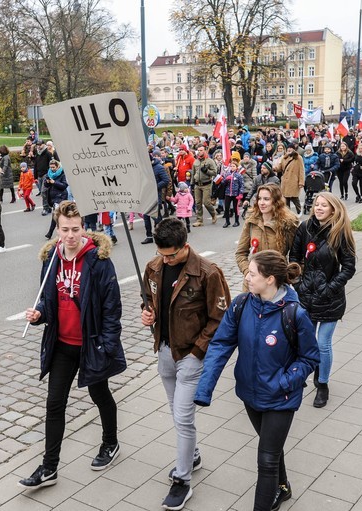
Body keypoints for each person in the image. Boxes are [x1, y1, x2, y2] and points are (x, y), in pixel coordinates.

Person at [194, 250, 320, 511]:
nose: (247, 277)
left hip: (280, 397)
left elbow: (310, 358)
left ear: (270, 279)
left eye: (252, 273)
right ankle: (283, 488)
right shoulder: (241, 305)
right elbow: (220, 345)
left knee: (266, 459)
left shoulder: (295, 314)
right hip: (250, 395)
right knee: (270, 445)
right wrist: (204, 389)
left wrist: (284, 382)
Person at [19, 201, 126, 489]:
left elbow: (112, 309)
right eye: (64, 229)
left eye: (75, 229)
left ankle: (110, 443)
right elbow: (47, 300)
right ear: (57, 228)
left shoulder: (98, 260)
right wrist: (40, 313)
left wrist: (106, 345)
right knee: (54, 404)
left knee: (99, 394)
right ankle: (49, 467)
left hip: (91, 344)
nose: (69, 235)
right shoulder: (50, 258)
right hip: (62, 343)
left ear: (84, 228)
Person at [140, 217, 231, 510]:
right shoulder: (154, 267)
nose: (165, 260)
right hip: (165, 351)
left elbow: (221, 318)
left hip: (190, 356)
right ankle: (192, 455)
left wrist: (198, 351)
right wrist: (147, 313)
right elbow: (148, 299)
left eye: (171, 255)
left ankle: (182, 481)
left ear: (185, 247)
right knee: (176, 412)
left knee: (182, 418)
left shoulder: (207, 272)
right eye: (161, 254)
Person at [289, 192, 356, 408]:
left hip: (330, 299)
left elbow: (348, 267)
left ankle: (323, 384)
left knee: (323, 343)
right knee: (305, 341)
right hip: (306, 297)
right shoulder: (305, 227)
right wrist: (298, 284)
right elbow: (294, 259)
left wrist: (330, 288)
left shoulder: (340, 232)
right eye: (317, 204)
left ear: (333, 209)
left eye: (324, 205)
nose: (318, 208)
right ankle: (304, 375)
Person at [236, 183, 299, 292]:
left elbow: (296, 256)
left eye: (266, 199)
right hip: (252, 285)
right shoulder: (251, 220)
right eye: (259, 198)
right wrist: (247, 272)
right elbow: (241, 253)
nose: (261, 203)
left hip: (275, 285)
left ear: (275, 201)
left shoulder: (288, 224)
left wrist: (290, 277)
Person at [191, 145, 218, 227]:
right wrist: (192, 183)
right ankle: (199, 220)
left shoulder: (209, 161)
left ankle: (213, 214)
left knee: (206, 202)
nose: (199, 152)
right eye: (198, 150)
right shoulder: (196, 161)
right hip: (197, 184)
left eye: (201, 150)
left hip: (206, 184)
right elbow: (193, 172)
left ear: (205, 151)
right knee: (198, 203)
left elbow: (215, 172)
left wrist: (206, 171)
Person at [274, 143, 304, 214]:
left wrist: (301, 182)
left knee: (294, 198)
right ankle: (288, 213)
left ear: (294, 149)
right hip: (285, 181)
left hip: (294, 181)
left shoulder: (298, 158)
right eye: (288, 148)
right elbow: (280, 167)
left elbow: (301, 171)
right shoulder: (284, 157)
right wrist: (275, 168)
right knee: (286, 199)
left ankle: (299, 211)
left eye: (291, 148)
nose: (289, 149)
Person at [43, 160, 69, 240]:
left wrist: (54, 182)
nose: (52, 169)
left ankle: (50, 233)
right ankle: (64, 230)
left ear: (57, 166)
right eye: (50, 167)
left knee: (55, 215)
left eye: (53, 167)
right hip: (53, 198)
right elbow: (46, 185)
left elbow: (64, 185)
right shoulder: (49, 173)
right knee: (60, 216)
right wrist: (47, 182)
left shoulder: (62, 173)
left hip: (61, 197)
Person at [222, 161, 245, 228]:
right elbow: (223, 183)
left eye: (233, 166)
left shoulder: (239, 175)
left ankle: (236, 221)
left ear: (236, 167)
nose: (232, 168)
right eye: (231, 166)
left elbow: (242, 185)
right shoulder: (227, 174)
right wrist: (226, 179)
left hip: (236, 194)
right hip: (228, 193)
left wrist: (240, 193)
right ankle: (227, 221)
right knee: (226, 208)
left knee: (235, 208)